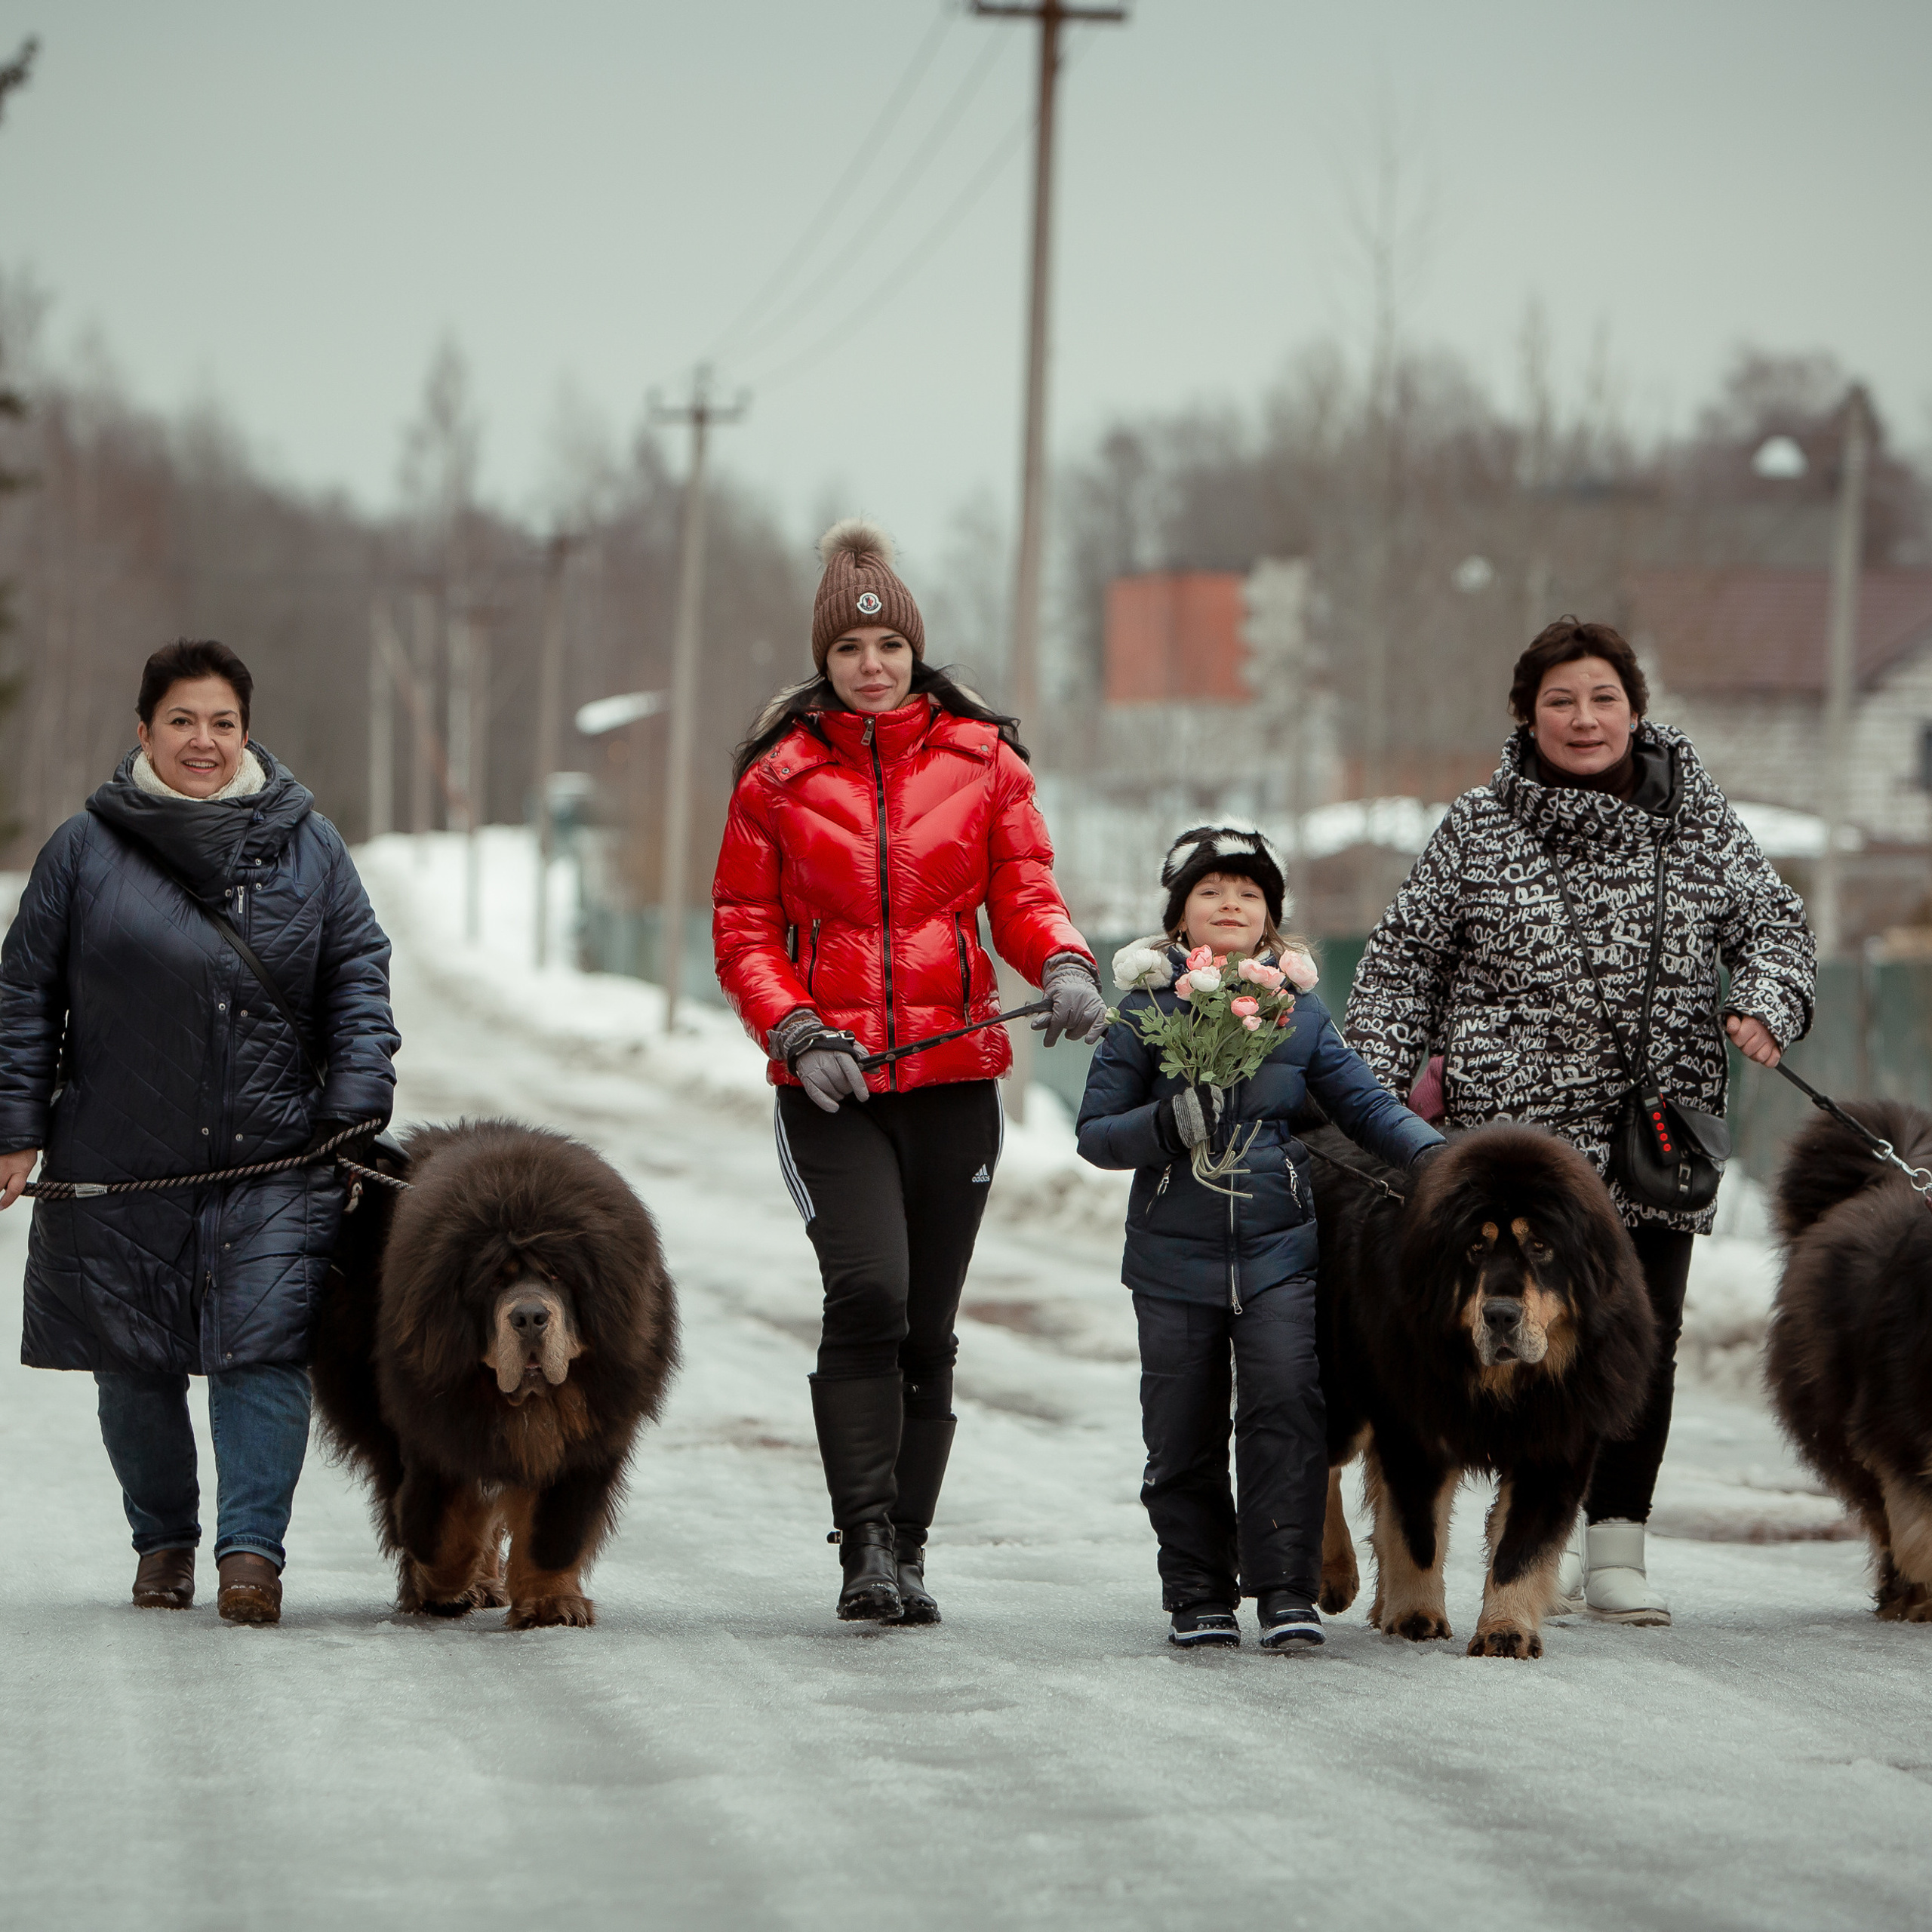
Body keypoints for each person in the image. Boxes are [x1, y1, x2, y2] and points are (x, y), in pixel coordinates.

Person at [1346, 617, 1816, 1625]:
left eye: (1603, 698)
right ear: (1526, 716)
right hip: (1505, 1155)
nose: (1584, 718)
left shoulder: (1698, 822)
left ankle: (1615, 1548)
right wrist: (1365, 1101)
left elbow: (1774, 925)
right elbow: (1399, 968)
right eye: (1560, 700)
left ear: (1636, 710)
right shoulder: (1475, 827)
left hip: (1654, 1141)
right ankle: (1459, 1541)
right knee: (1466, 1338)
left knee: (1637, 1344)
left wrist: (1767, 1004)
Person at [712, 520, 1108, 1626]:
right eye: (850, 652)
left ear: (914, 652)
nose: (872, 667)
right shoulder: (779, 778)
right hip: (832, 1092)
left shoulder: (985, 763)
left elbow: (1024, 894)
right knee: (870, 1295)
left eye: (888, 648)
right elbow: (741, 929)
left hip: (951, 1084)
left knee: (929, 1326)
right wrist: (796, 1032)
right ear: (825, 662)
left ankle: (910, 1550)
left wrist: (1067, 961)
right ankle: (863, 1545)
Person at [0, 639, 399, 1625]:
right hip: (119, 1157)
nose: (203, 740)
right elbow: (22, 1001)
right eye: (181, 720)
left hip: (275, 1155)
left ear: (246, 732)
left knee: (261, 1352)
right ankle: (164, 1541)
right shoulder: (80, 854)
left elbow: (358, 974)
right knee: (134, 1362)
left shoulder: (312, 848)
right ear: (144, 732)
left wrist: (354, 1104)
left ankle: (251, 1556)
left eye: (222, 721)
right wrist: (14, 1128)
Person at [1076, 826, 1444, 1651]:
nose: (1231, 904)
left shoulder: (1297, 1013)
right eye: (1211, 892)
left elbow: (1369, 1108)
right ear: (1179, 921)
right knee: (1181, 1426)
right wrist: (1167, 1122)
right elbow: (1096, 1135)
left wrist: (1444, 1161)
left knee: (1286, 1413)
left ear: (1271, 920)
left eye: (1249, 894)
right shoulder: (1142, 1011)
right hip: (1172, 1256)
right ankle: (1198, 1592)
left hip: (1279, 1253)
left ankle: (1285, 1589)